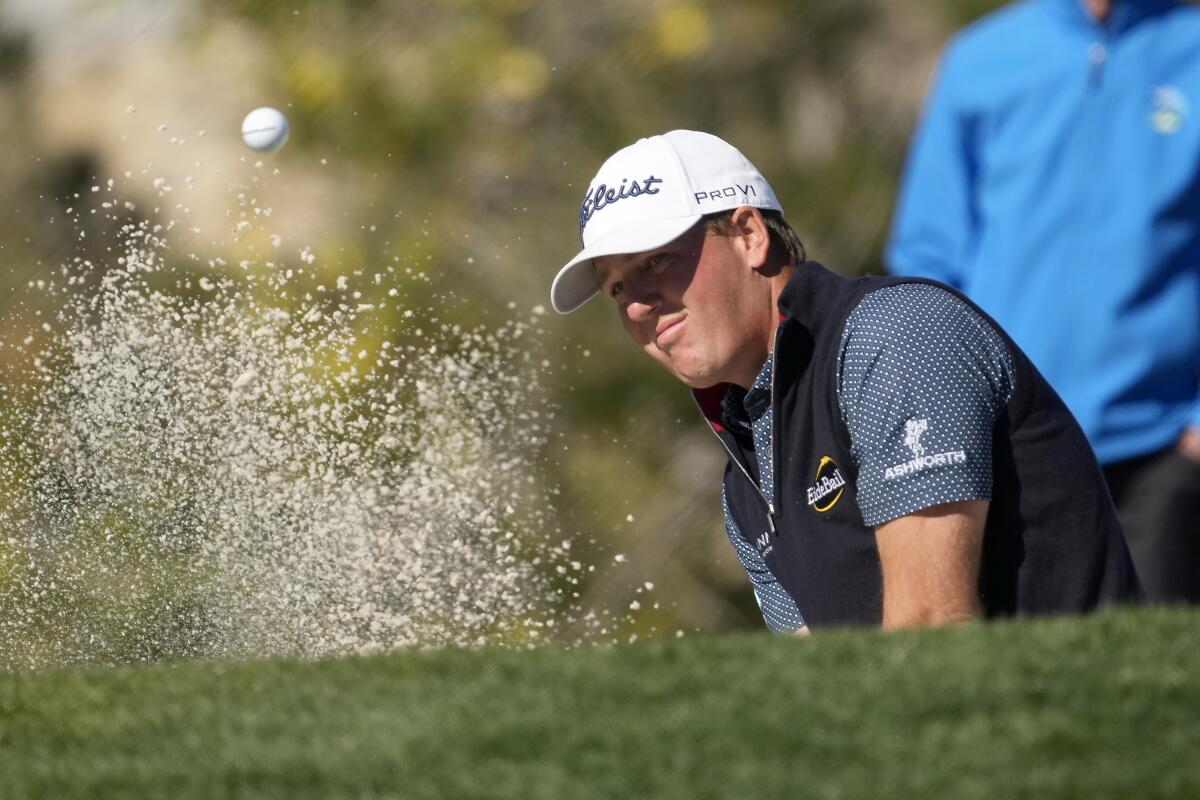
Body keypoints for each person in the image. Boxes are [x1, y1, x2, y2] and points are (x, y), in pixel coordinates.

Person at [551, 129, 1141, 632]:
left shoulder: (898, 333)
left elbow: (933, 626)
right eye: (618, 289)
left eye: (656, 260)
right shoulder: (743, 484)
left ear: (750, 236)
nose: (638, 306)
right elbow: (824, 692)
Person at [887, 0, 1200, 604]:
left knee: (1155, 686)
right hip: (1009, 446)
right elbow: (928, 262)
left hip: (1162, 450)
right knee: (1022, 686)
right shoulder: (981, 59)